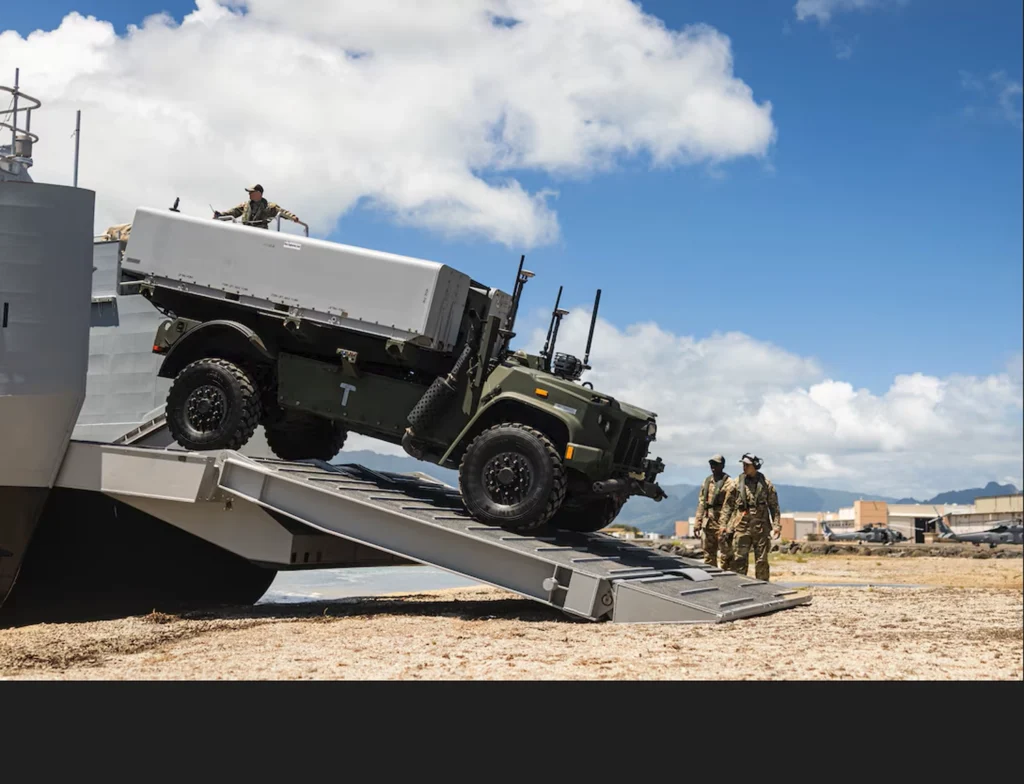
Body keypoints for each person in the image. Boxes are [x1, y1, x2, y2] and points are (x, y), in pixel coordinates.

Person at [719, 453, 780, 581]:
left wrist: (776, 525)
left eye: (747, 465)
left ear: (755, 466)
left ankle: (763, 586)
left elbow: (774, 506)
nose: (744, 467)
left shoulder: (766, 484)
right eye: (743, 465)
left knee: (761, 560)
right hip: (742, 527)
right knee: (739, 558)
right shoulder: (736, 483)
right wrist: (723, 525)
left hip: (761, 527)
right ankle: (740, 585)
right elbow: (728, 506)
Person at [692, 454, 733, 570]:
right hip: (708, 523)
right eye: (711, 464)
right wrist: (697, 523)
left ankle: (727, 580)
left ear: (722, 465)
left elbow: (730, 506)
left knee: (726, 556)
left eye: (716, 464)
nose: (713, 467)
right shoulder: (707, 481)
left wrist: (725, 525)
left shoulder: (730, 483)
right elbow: (701, 503)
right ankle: (712, 577)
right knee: (708, 555)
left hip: (722, 525)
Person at [213, 184, 301, 229]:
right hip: (245, 230)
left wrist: (292, 217)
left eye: (251, 192)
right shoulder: (245, 205)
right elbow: (233, 212)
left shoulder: (270, 207)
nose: (249, 194)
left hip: (260, 232)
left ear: (258, 193)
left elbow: (282, 212)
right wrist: (220, 215)